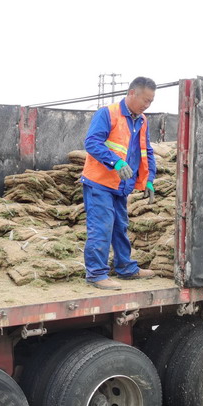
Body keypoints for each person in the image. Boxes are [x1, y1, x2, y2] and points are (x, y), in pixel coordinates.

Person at [81, 76, 158, 290]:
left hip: (121, 185)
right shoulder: (107, 113)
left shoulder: (142, 120)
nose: (147, 105)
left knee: (120, 227)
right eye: (145, 100)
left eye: (151, 101)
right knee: (102, 226)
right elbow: (91, 142)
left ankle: (125, 268)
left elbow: (146, 151)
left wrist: (149, 180)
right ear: (132, 93)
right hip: (99, 182)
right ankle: (96, 274)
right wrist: (115, 162)